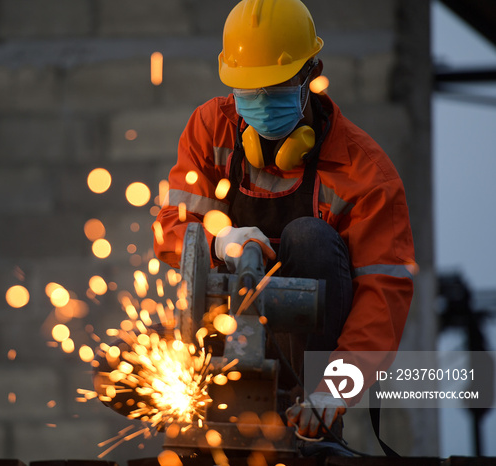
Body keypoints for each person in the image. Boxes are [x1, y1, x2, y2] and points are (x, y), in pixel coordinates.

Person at [153, 0, 415, 442]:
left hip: (312, 382)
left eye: (273, 87)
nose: (257, 102)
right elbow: (171, 231)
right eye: (246, 88)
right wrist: (219, 241)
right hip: (223, 351)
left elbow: (383, 298)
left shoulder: (364, 173)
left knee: (308, 238)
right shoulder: (212, 128)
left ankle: (306, 414)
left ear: (311, 74)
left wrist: (334, 390)